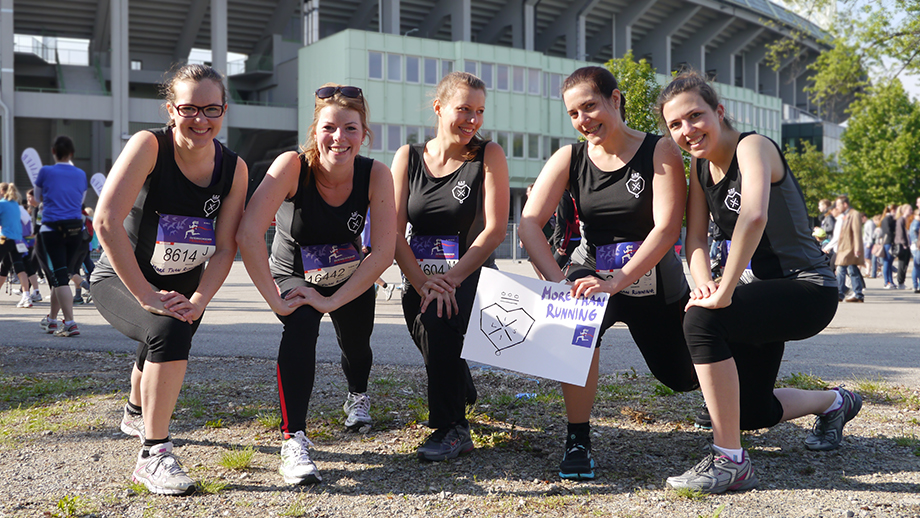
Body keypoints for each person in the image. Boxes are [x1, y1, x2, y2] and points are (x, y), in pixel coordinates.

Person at [658, 70, 861, 494]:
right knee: (747, 412)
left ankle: (729, 462)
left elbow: (753, 215)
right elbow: (693, 238)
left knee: (702, 322)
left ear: (719, 110)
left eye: (695, 116)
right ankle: (836, 402)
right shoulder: (699, 167)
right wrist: (703, 285)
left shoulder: (753, 146)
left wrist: (725, 289)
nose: (687, 130)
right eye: (675, 124)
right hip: (765, 290)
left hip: (807, 289)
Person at [519, 66, 697, 480]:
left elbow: (667, 228)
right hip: (590, 270)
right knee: (572, 333)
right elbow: (529, 223)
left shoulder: (660, 151)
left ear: (615, 100)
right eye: (574, 113)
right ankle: (577, 438)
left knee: (682, 377)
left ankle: (731, 385)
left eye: (590, 106)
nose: (584, 120)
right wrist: (559, 282)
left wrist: (619, 280)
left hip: (650, 278)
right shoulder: (570, 157)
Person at [91, 64, 248, 495]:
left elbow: (226, 247)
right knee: (166, 329)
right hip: (121, 277)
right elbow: (105, 221)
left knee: (163, 334)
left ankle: (134, 409)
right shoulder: (149, 146)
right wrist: (144, 294)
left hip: (183, 285)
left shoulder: (234, 169)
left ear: (224, 110)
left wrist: (199, 298)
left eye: (211, 108)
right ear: (170, 109)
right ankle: (153, 454)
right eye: (189, 108)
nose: (200, 119)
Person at [237, 83, 396, 485]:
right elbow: (249, 232)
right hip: (293, 272)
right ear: (315, 130)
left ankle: (357, 394)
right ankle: (294, 441)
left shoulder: (376, 174)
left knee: (357, 346)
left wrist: (335, 300)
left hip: (348, 272)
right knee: (301, 326)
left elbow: (383, 251)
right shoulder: (292, 165)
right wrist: (275, 297)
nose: (338, 138)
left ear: (364, 133)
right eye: (329, 128)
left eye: (350, 129)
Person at [390, 71, 509, 462]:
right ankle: (460, 389)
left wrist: (450, 279)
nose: (472, 120)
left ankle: (451, 427)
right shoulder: (408, 157)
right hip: (420, 275)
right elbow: (393, 230)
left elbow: (493, 230)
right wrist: (422, 281)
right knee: (430, 329)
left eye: (479, 111)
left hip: (470, 273)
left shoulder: (488, 154)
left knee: (438, 320)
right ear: (439, 108)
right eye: (463, 109)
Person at [34, 135, 88, 336]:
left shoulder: (46, 171)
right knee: (61, 274)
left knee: (60, 276)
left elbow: (38, 197)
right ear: (72, 153)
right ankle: (52, 320)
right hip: (75, 229)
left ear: (53, 151)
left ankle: (70, 322)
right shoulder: (81, 173)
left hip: (52, 229)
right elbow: (80, 199)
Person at [826, 195, 864, 302]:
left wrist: (857, 248)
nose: (837, 207)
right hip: (843, 248)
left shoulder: (854, 214)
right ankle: (850, 294)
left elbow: (857, 232)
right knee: (848, 270)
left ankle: (844, 293)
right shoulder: (844, 215)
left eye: (838, 205)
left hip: (850, 248)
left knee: (845, 270)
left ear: (845, 204)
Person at [0, 183, 32, 308]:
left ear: (2, 191)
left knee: (7, 267)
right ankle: (26, 296)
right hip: (17, 240)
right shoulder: (15, 204)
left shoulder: (2, 204)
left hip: (5, 238)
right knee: (19, 267)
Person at [894, 203, 913, 289]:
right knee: (902, 264)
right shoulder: (901, 219)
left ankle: (901, 282)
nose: (911, 211)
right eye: (910, 209)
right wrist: (904, 243)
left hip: (906, 244)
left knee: (905, 264)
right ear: (905, 210)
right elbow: (900, 233)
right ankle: (900, 282)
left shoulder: (906, 220)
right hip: (903, 245)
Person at [880, 204, 897, 289]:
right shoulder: (887, 219)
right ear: (893, 210)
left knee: (889, 263)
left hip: (890, 242)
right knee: (887, 262)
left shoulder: (890, 219)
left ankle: (890, 281)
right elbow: (888, 231)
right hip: (888, 242)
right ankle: (887, 282)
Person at [911, 206, 920, 293]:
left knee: (916, 267)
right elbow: (914, 235)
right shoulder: (916, 223)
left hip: (915, 246)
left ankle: (915, 285)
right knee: (917, 266)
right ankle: (916, 285)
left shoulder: (914, 222)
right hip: (917, 247)